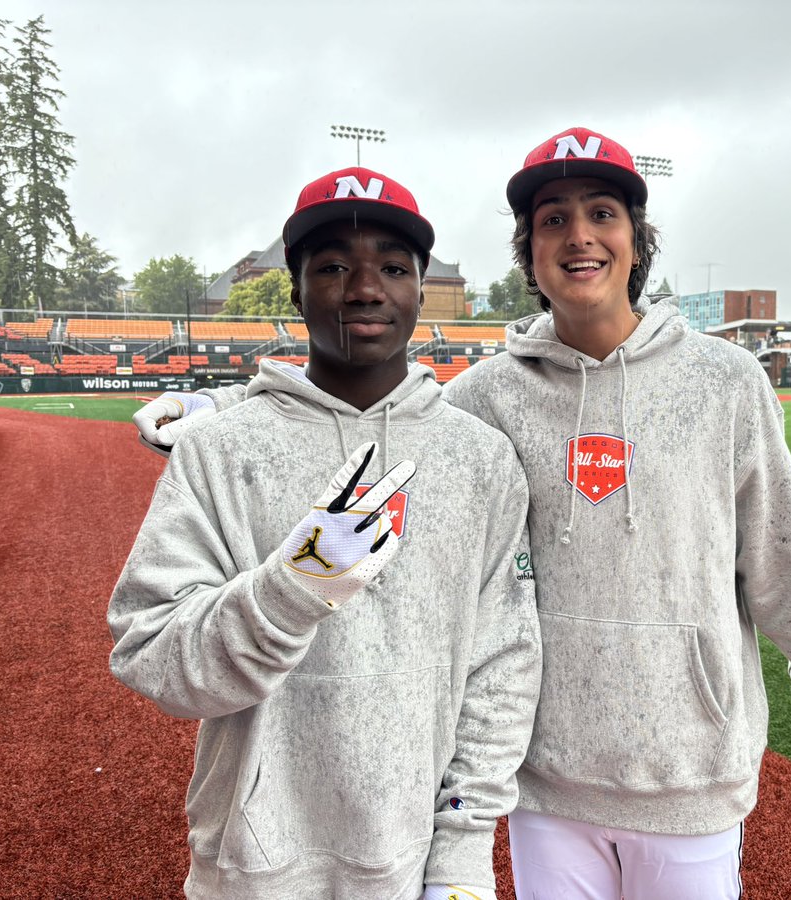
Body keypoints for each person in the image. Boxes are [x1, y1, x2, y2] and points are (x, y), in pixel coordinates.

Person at [133, 129, 791, 900]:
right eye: (553, 220)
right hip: (545, 784)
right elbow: (378, 404)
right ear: (529, 252)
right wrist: (223, 406)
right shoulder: (489, 398)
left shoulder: (725, 383)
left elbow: (787, 561)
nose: (580, 236)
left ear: (637, 239)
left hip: (692, 777)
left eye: (602, 213)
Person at [110, 166, 541, 900]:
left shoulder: (481, 459)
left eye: (394, 268)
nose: (365, 288)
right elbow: (151, 655)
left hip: (414, 865)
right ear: (295, 289)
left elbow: (503, 662)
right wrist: (288, 592)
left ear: (417, 290)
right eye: (334, 265)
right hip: (253, 867)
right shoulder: (220, 451)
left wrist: (465, 849)